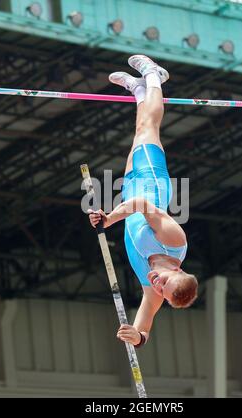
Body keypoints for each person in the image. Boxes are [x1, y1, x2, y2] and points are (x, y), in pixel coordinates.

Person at [88, 55, 198, 348]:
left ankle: (138, 90)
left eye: (161, 290)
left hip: (130, 190)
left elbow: (145, 322)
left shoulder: (155, 290)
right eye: (163, 281)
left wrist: (138, 338)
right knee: (147, 127)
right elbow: (141, 204)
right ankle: (153, 76)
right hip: (150, 180)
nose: (156, 284)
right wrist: (109, 219)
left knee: (139, 130)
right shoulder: (174, 241)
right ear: (177, 270)